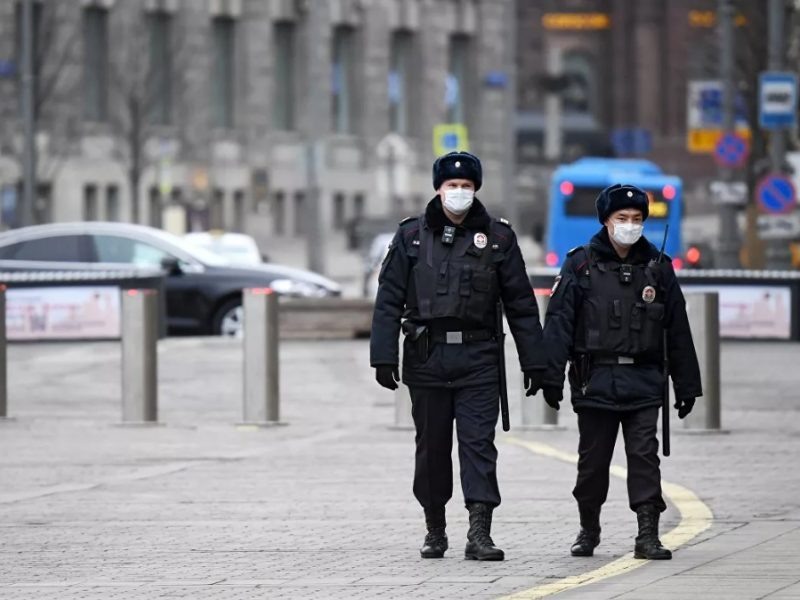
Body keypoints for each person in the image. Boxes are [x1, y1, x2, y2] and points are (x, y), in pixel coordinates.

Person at [370, 151, 546, 561]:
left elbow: (520, 303)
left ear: (476, 190)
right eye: (452, 186)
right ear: (438, 189)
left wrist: (536, 362)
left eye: (467, 187)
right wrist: (383, 356)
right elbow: (389, 299)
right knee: (431, 448)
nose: (459, 193)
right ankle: (435, 528)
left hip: (479, 358)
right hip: (426, 358)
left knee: (478, 445)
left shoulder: (498, 238)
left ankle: (479, 532)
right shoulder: (411, 237)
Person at [540, 183, 702, 560]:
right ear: (607, 221)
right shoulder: (580, 264)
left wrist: (687, 384)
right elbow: (560, 322)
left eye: (637, 219)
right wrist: (549, 378)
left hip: (644, 380)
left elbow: (677, 328)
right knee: (593, 462)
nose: (630, 225)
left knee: (645, 456)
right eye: (622, 218)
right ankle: (589, 528)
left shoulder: (658, 268)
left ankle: (647, 534)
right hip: (594, 379)